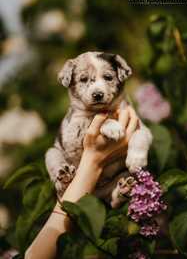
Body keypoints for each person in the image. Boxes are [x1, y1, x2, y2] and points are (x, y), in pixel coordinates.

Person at [25, 105, 137, 259]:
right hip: (83, 183)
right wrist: (94, 160)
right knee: (52, 154)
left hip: (101, 185)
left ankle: (116, 193)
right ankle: (111, 193)